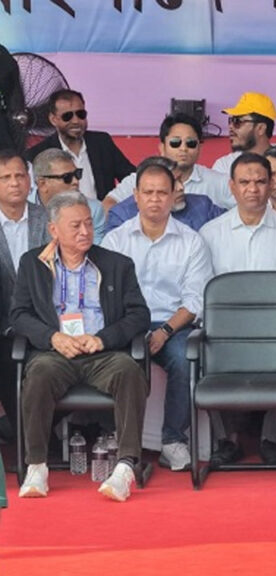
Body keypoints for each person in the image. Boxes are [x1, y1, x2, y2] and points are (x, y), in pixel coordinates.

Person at [13, 191, 150, 502]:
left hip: (102, 353)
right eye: (75, 226)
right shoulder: (32, 264)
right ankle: (37, 466)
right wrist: (52, 337)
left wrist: (103, 338)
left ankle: (125, 467)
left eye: (88, 223)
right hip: (56, 353)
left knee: (129, 370)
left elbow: (139, 315)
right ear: (54, 230)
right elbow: (19, 315)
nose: (85, 231)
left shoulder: (117, 264)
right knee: (38, 374)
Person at [200, 152, 276, 466]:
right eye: (245, 182)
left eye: (261, 181)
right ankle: (227, 441)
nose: (253, 189)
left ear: (271, 183)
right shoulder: (210, 234)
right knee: (201, 346)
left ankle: (272, 439)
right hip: (226, 333)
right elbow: (202, 293)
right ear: (232, 187)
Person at [101, 160, 213, 472]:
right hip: (126, 325)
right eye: (148, 192)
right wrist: (128, 329)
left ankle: (173, 440)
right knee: (113, 361)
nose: (154, 199)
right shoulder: (116, 240)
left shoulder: (191, 241)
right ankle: (119, 440)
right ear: (135, 196)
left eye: (162, 192)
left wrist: (165, 331)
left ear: (174, 194)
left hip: (173, 325)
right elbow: (106, 296)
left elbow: (195, 300)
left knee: (185, 358)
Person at [0, 150, 48, 440]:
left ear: (30, 180)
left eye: (20, 175)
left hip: (44, 323)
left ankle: (33, 435)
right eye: (5, 177)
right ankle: (25, 437)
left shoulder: (49, 219)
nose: (14, 183)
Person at [103, 114, 232, 211]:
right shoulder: (140, 179)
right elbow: (108, 205)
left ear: (200, 148)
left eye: (191, 143)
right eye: (175, 142)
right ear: (162, 147)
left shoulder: (219, 182)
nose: (183, 148)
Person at [24, 90, 135, 201]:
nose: (76, 121)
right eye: (67, 116)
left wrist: (113, 199)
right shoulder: (38, 154)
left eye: (81, 114)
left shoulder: (102, 142)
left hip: (102, 211)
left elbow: (133, 178)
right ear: (53, 119)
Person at [106, 156, 224, 232]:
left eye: (180, 179)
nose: (181, 187)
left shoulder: (203, 206)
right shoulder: (122, 216)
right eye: (173, 182)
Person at [211, 92, 276, 175]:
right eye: (230, 120)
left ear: (260, 128)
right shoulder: (224, 166)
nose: (231, 127)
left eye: (237, 121)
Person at [32, 148, 107, 243]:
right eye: (67, 177)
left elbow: (93, 248)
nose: (76, 181)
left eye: (77, 174)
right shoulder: (23, 209)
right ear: (42, 184)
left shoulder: (93, 209)